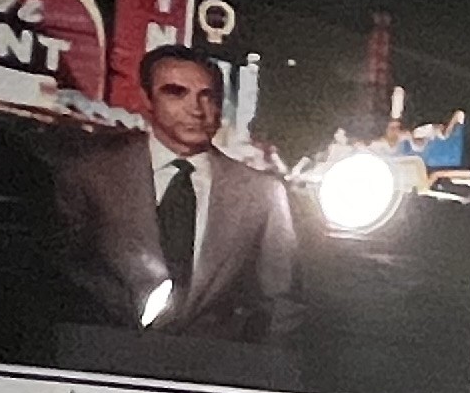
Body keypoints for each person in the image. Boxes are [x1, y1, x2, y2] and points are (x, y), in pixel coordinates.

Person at [53, 46, 302, 346]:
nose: (196, 109)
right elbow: (62, 275)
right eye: (176, 93)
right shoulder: (91, 175)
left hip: (214, 363)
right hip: (102, 354)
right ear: (146, 99)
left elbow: (281, 300)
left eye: (207, 96)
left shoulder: (263, 193)